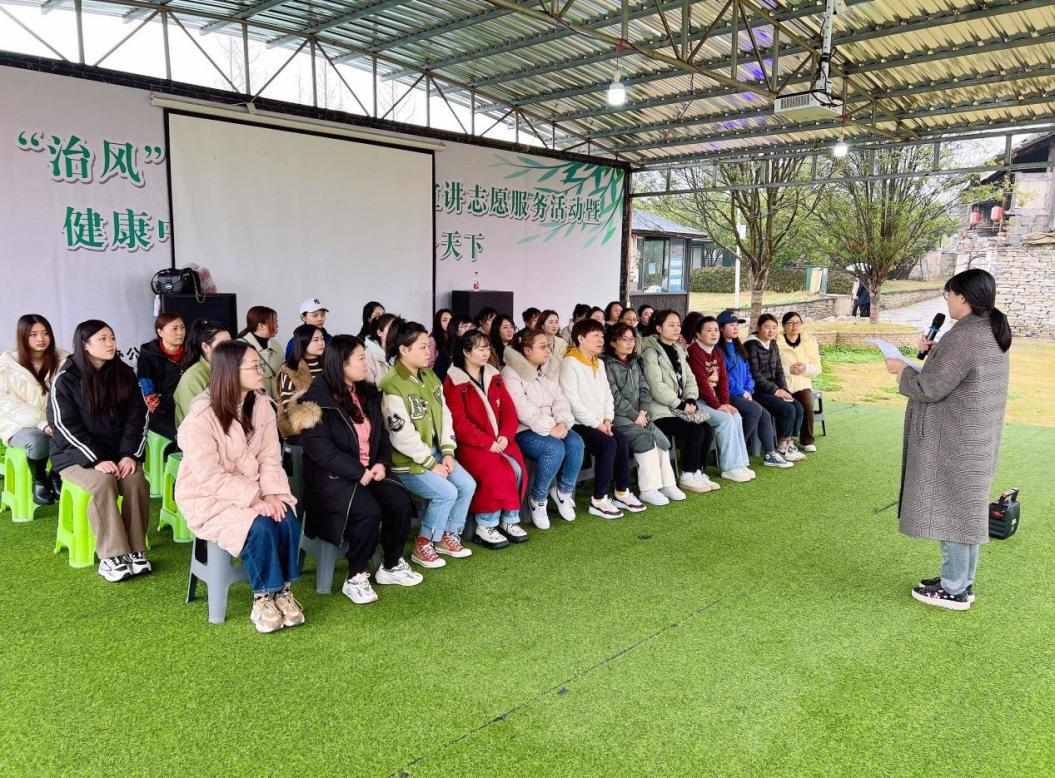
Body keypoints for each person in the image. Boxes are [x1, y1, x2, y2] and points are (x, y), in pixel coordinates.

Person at [886, 268, 1011, 611]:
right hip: (975, 437)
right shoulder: (989, 329)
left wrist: (901, 369)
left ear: (964, 297)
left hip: (954, 439)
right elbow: (961, 373)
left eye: (949, 295)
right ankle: (959, 581)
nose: (948, 301)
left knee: (952, 509)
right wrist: (938, 352)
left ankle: (954, 590)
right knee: (966, 510)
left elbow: (929, 388)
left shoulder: (965, 335)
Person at [176, 340, 302, 633]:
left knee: (286, 517)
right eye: (254, 367)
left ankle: (282, 591)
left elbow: (270, 456)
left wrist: (271, 494)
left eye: (259, 365)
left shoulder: (261, 404)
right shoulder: (200, 416)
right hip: (208, 496)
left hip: (256, 487)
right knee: (260, 526)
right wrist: (254, 499)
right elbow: (209, 476)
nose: (261, 371)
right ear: (231, 372)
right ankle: (262, 597)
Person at [290, 335, 421, 606]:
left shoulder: (368, 393)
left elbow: (381, 436)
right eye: (361, 358)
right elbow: (321, 451)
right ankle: (356, 575)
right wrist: (358, 471)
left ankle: (391, 564)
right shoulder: (315, 400)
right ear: (341, 364)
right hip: (332, 479)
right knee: (368, 511)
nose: (366, 364)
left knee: (399, 502)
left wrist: (381, 463)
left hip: (370, 471)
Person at [48, 320, 150, 582]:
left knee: (135, 479)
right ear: (85, 345)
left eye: (112, 337)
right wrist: (96, 459)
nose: (111, 344)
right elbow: (63, 425)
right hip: (75, 456)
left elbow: (138, 416)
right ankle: (112, 555)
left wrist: (129, 455)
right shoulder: (66, 379)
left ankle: (135, 550)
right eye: (103, 339)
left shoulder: (124, 373)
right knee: (103, 482)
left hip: (117, 454)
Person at [380, 321, 476, 569]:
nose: (429, 352)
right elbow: (401, 435)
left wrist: (447, 452)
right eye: (422, 347)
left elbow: (445, 415)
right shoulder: (391, 384)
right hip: (407, 462)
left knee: (467, 484)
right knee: (447, 492)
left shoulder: (430, 376)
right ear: (404, 350)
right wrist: (431, 463)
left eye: (429, 346)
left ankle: (445, 536)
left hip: (435, 453)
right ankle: (423, 543)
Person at [444, 330, 528, 548]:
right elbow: (459, 423)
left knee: (518, 468)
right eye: (480, 349)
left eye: (487, 348)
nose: (485, 353)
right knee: (497, 471)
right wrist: (486, 442)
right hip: (471, 443)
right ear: (466, 352)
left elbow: (509, 411)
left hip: (499, 439)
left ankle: (510, 518)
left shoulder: (493, 375)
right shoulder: (454, 380)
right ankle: (486, 524)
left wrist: (505, 436)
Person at [559, 319, 642, 519]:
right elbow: (572, 401)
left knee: (621, 441)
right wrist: (596, 424)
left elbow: (607, 394)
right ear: (580, 338)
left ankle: (622, 492)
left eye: (602, 336)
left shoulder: (599, 362)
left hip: (600, 422)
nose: (600, 340)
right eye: (595, 336)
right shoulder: (569, 363)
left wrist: (607, 419)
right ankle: (598, 500)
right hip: (578, 423)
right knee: (608, 445)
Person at [502, 329, 583, 528]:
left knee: (576, 442)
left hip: (552, 424)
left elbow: (559, 399)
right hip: (524, 429)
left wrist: (561, 422)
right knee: (554, 448)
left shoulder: (547, 369)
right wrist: (550, 427)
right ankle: (538, 498)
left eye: (548, 346)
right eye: (542, 347)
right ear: (527, 350)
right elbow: (520, 408)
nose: (548, 351)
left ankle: (563, 492)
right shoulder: (511, 373)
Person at [601, 323, 685, 506]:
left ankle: (668, 484)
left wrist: (643, 410)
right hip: (618, 417)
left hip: (640, 414)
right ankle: (648, 489)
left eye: (632, 339)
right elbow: (614, 396)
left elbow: (644, 387)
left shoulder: (634, 361)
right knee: (645, 437)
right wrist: (634, 415)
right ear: (613, 342)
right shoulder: (606, 364)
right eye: (624, 339)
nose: (630, 343)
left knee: (660, 439)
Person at [640, 310, 719, 493]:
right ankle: (687, 474)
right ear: (659, 328)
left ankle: (698, 471)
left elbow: (690, 378)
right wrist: (680, 404)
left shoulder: (678, 349)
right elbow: (656, 386)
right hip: (659, 411)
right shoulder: (650, 351)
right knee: (694, 431)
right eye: (671, 325)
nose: (676, 329)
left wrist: (690, 398)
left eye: (678, 325)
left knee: (707, 429)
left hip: (680, 408)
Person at [0, 314, 68, 505]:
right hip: (17, 424)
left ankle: (56, 475)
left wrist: (58, 421)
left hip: (55, 419)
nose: (41, 339)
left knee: (75, 434)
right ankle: (39, 480)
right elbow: (8, 405)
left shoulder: (64, 360)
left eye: (45, 333)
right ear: (23, 337)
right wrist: (42, 423)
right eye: (33, 334)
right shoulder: (6, 366)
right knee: (38, 441)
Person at [716, 309, 791, 469]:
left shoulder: (738, 346)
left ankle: (770, 454)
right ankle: (737, 449)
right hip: (728, 394)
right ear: (721, 328)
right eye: (731, 325)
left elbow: (748, 372)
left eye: (737, 325)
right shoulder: (718, 350)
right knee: (755, 410)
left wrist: (748, 390)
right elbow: (723, 378)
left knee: (765, 415)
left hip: (744, 393)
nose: (736, 328)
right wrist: (741, 392)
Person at [684, 315, 755, 482]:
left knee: (735, 415)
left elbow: (723, 380)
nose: (714, 333)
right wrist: (718, 406)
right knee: (726, 419)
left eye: (716, 330)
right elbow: (702, 384)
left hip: (713, 400)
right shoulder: (694, 352)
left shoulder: (717, 352)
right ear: (698, 334)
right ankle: (729, 468)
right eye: (708, 330)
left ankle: (740, 463)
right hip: (696, 400)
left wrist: (725, 403)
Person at [744, 314, 806, 462]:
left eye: (774, 327)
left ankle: (790, 443)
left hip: (774, 388)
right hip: (758, 391)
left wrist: (784, 389)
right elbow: (755, 375)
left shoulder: (773, 343)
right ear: (758, 328)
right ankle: (781, 446)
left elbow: (779, 370)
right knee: (787, 409)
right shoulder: (751, 345)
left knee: (798, 406)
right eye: (767, 327)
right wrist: (776, 391)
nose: (771, 331)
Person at [136, 313, 185, 441]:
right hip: (162, 413)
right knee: (186, 435)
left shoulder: (191, 352)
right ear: (160, 332)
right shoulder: (148, 357)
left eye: (182, 327)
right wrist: (164, 409)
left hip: (188, 407)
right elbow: (148, 395)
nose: (180, 332)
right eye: (175, 328)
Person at [777, 311, 822, 452]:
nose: (794, 326)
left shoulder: (809, 341)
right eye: (790, 323)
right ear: (784, 326)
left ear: (801, 324)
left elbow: (818, 367)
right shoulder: (776, 342)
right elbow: (772, 367)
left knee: (807, 405)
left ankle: (806, 440)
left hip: (802, 383)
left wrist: (805, 368)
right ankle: (783, 439)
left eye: (797, 322)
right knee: (786, 407)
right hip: (782, 383)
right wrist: (788, 370)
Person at [174, 320, 231, 428]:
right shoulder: (192, 378)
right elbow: (198, 422)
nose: (230, 349)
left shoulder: (228, 368)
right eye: (223, 345)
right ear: (205, 347)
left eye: (231, 343)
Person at [276, 324, 326, 440]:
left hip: (326, 426)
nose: (321, 343)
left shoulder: (327, 365)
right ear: (303, 342)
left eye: (322, 339)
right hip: (298, 428)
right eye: (316, 340)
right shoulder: (289, 370)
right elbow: (290, 408)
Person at [237, 306, 282, 399]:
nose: (277, 326)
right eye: (274, 322)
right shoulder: (239, 347)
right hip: (252, 400)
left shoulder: (276, 345)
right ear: (261, 325)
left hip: (276, 401)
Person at [433, 314, 472, 383]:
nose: (470, 329)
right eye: (465, 326)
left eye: (471, 326)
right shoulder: (446, 354)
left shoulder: (472, 348)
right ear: (455, 330)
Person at [365, 313, 400, 385]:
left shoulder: (400, 352)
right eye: (392, 328)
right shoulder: (368, 355)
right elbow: (368, 388)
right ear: (379, 332)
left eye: (397, 328)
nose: (396, 331)